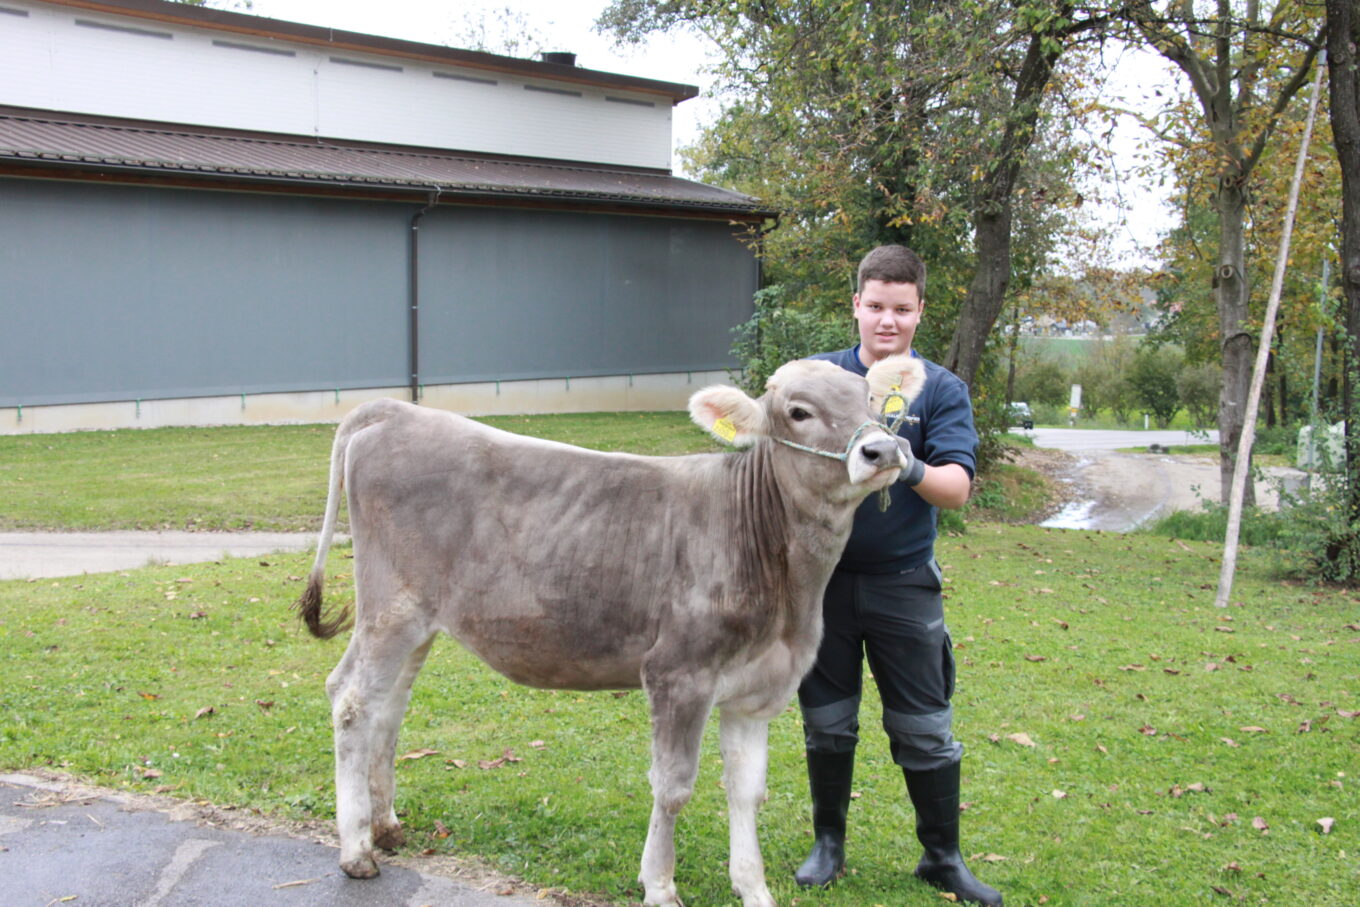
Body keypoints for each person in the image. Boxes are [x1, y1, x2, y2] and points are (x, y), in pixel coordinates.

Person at [795, 245, 1001, 905]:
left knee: (924, 726)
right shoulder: (816, 377)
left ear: (919, 312)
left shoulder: (940, 389)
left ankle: (942, 856)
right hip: (821, 582)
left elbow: (957, 488)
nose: (888, 320)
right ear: (856, 304)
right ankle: (828, 843)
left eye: (901, 309)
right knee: (827, 719)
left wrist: (905, 465)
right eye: (876, 305)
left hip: (904, 583)